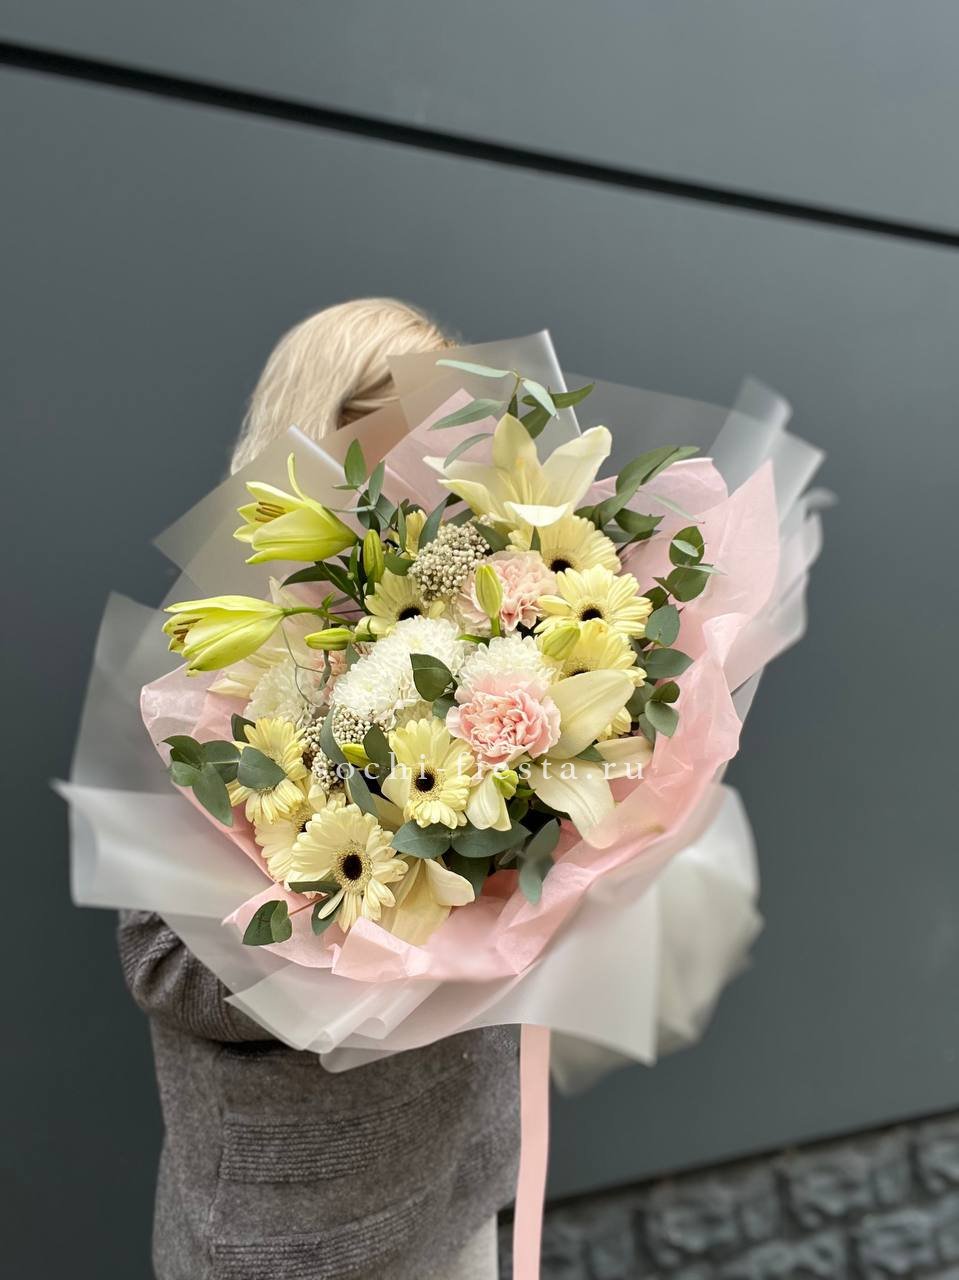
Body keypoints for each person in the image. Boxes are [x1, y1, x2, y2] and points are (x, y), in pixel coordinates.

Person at [118, 299, 519, 1280]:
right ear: (321, 426)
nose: (436, 458)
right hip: (295, 1224)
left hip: (462, 1176)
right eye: (405, 422)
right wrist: (370, 933)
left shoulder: (475, 610)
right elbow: (164, 964)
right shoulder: (215, 652)